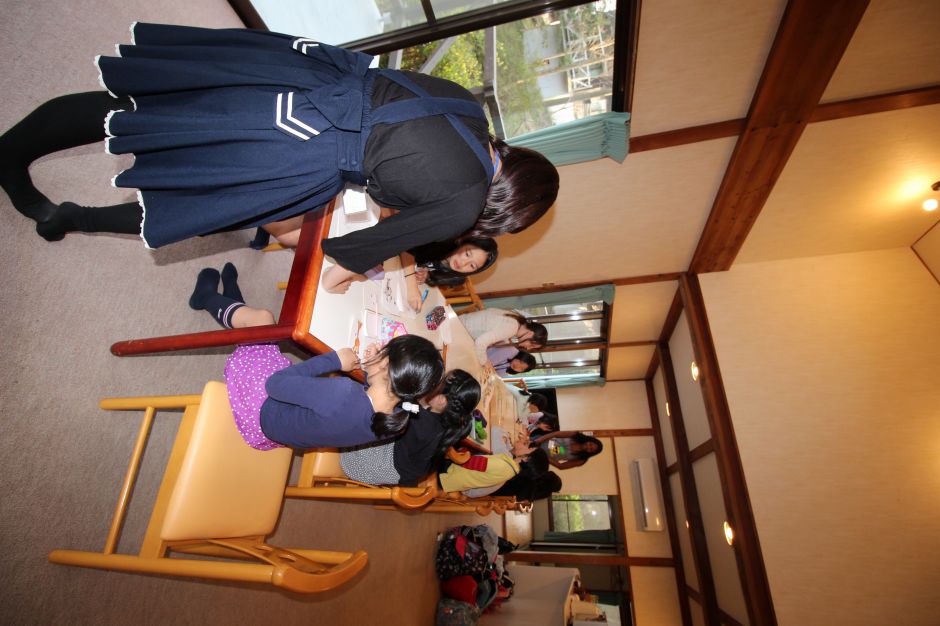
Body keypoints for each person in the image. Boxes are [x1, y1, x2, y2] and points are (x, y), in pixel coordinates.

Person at [0, 23, 558, 279]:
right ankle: (71, 214)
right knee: (205, 204)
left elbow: (404, 139)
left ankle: (17, 150)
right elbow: (351, 251)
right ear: (508, 210)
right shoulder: (463, 205)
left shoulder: (468, 104)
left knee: (155, 104)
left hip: (307, 76)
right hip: (309, 143)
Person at [228, 333, 443, 451]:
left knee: (260, 327)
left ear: (385, 364)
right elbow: (362, 406)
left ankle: (212, 297)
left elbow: (275, 384)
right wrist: (371, 370)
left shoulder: (343, 393)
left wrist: (334, 360)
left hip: (261, 416)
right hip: (282, 436)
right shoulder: (396, 421)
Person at [339, 369, 480, 486]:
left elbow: (394, 396)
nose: (435, 383)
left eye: (440, 382)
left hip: (358, 465)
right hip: (395, 468)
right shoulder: (449, 424)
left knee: (361, 401)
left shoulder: (421, 420)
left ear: (442, 400)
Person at [459, 308, 548, 365]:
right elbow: (480, 342)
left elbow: (499, 327)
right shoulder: (512, 328)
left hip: (460, 322)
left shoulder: (516, 319)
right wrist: (484, 364)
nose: (528, 348)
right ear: (530, 334)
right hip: (459, 331)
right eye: (532, 345)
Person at [526, 431, 603, 470]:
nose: (588, 447)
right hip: (539, 441)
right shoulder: (576, 435)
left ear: (591, 453)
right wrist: (538, 441)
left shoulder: (581, 460)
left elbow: (561, 466)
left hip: (539, 457)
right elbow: (555, 434)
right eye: (590, 444)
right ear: (590, 440)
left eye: (591, 449)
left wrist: (543, 455)